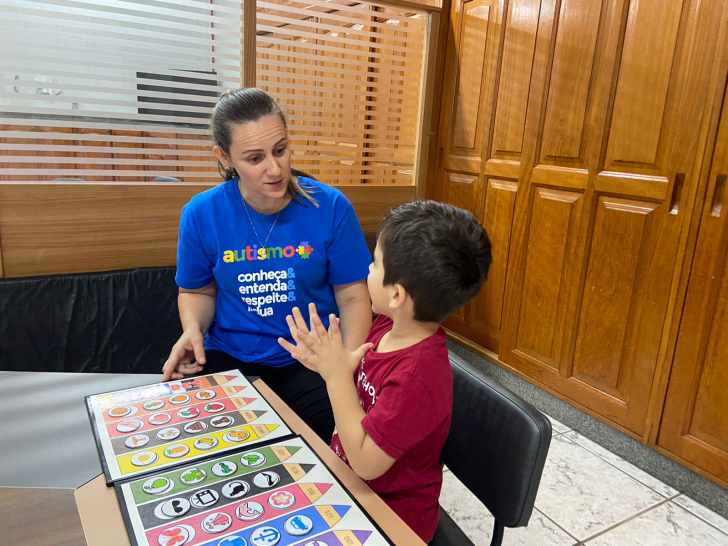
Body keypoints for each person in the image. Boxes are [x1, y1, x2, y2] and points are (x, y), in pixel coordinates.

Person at [162, 88, 373, 441]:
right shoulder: (201, 214)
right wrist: (192, 329)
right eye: (255, 158)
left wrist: (346, 363)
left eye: (280, 150)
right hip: (230, 356)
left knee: (337, 447)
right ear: (225, 157)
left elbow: (353, 296)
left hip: (313, 358)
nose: (275, 169)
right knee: (221, 451)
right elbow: (196, 290)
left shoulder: (331, 206)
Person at [279, 200, 492, 542]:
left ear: (396, 294)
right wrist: (330, 364)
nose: (367, 268)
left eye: (375, 262)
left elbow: (365, 462)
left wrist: (335, 379)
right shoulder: (386, 329)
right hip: (351, 485)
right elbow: (363, 390)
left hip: (392, 517)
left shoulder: (417, 377)